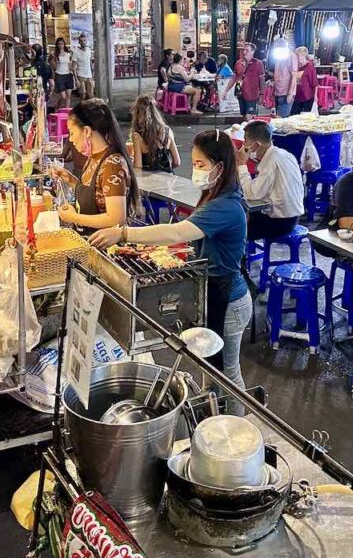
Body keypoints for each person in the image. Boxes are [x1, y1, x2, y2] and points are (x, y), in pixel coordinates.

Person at [90, 130, 251, 415]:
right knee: (209, 368)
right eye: (195, 163)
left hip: (230, 302)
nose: (195, 171)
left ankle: (234, 429)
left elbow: (176, 230)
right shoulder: (216, 195)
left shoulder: (226, 206)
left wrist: (124, 233)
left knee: (227, 374)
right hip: (212, 291)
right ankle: (212, 419)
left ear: (220, 167)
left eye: (201, 165)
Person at [56, 99, 139, 232]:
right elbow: (97, 193)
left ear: (87, 131)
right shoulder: (92, 158)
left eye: (72, 133)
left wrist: (74, 217)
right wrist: (71, 180)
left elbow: (116, 218)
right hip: (90, 241)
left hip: (108, 246)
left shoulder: (112, 165)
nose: (70, 139)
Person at [236, 120, 305, 240]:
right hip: (291, 215)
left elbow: (251, 194)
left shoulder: (270, 162)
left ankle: (239, 258)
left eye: (245, 141)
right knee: (238, 216)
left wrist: (242, 164)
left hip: (281, 222)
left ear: (256, 145)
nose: (243, 145)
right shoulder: (284, 154)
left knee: (232, 230)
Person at [130, 94, 180, 173]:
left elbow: (138, 166)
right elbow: (177, 162)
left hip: (149, 180)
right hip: (168, 180)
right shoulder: (167, 131)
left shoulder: (137, 135)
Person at [234, 43, 265, 119]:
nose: (244, 52)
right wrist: (226, 90)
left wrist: (262, 94)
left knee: (249, 116)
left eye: (247, 50)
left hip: (252, 95)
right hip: (240, 93)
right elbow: (234, 77)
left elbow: (262, 80)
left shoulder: (258, 63)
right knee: (243, 115)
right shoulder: (238, 63)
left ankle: (250, 129)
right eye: (243, 50)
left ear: (253, 51)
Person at [271, 45, 299, 118]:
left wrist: (290, 93)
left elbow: (294, 76)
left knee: (281, 120)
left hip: (286, 93)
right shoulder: (279, 55)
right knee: (277, 118)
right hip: (278, 92)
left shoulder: (291, 56)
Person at [291, 47, 318, 115]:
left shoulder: (310, 67)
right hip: (297, 96)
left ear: (303, 56)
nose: (296, 58)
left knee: (306, 117)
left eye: (298, 56)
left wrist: (315, 97)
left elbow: (315, 84)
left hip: (307, 97)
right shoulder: (296, 66)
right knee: (293, 116)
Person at [51, 37, 74, 108]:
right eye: (59, 44)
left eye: (62, 43)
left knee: (69, 96)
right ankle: (58, 106)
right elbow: (54, 67)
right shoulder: (55, 54)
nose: (60, 45)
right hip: (59, 75)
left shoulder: (68, 54)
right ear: (57, 45)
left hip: (68, 75)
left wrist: (73, 72)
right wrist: (52, 59)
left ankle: (67, 112)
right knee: (63, 96)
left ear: (64, 44)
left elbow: (70, 65)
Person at [73, 34, 94, 99]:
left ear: (86, 41)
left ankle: (90, 109)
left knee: (90, 95)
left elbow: (90, 61)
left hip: (89, 75)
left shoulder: (88, 50)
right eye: (81, 41)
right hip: (80, 75)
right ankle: (82, 108)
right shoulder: (76, 52)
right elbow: (74, 67)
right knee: (83, 95)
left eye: (84, 40)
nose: (83, 42)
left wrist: (92, 74)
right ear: (79, 42)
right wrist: (76, 79)